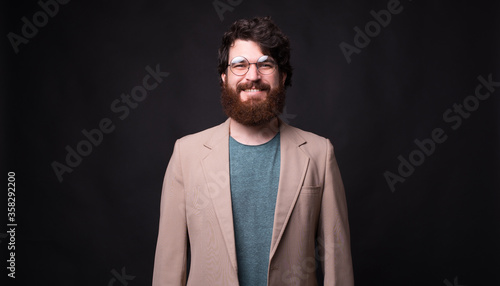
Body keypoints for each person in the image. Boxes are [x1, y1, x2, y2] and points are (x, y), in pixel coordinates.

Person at [152, 16, 354, 286]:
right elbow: (168, 265)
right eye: (240, 65)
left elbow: (337, 262)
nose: (253, 76)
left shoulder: (319, 153)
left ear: (282, 76)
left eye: (265, 64)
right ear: (224, 78)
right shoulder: (185, 154)